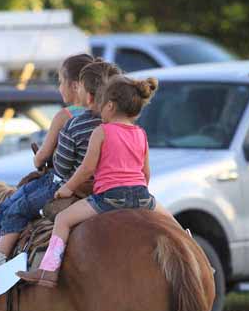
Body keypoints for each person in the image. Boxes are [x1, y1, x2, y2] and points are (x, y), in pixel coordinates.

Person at [0, 59, 122, 298]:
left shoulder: (68, 118)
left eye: (61, 82)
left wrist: (45, 159)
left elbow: (52, 163)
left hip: (66, 183)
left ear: (78, 87)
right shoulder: (115, 121)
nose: (59, 87)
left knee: (16, 206)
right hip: (112, 188)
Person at [17, 75, 175, 288]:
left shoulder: (102, 131)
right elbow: (145, 172)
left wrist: (67, 188)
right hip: (142, 196)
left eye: (102, 106)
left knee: (63, 220)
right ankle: (197, 259)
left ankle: (48, 271)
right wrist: (140, 194)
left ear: (109, 106)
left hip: (110, 197)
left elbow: (87, 168)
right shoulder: (140, 134)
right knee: (173, 225)